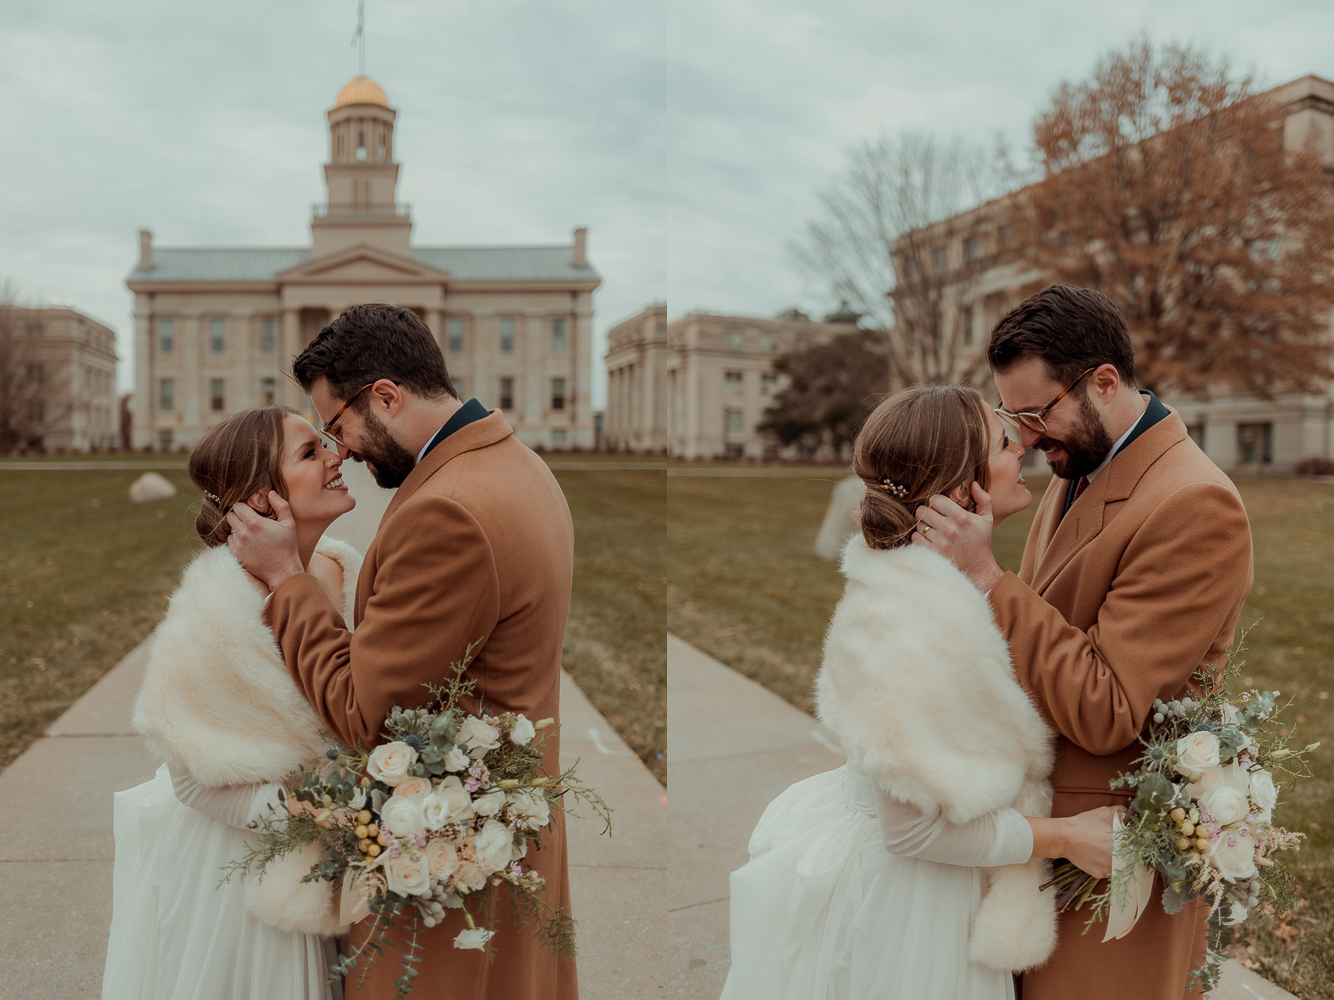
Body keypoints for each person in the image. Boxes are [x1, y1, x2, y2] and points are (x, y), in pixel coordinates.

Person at [720, 385, 1120, 1000]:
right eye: (1007, 443)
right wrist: (1068, 837)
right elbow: (909, 831)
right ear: (966, 489)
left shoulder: (932, 583)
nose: (1027, 450)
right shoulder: (911, 617)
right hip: (909, 903)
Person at [224, 304, 577, 1000]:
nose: (342, 450)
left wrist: (289, 583)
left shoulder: (448, 508)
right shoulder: (515, 462)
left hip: (450, 863)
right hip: (508, 830)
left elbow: (366, 712)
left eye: (338, 425)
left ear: (385, 394)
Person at [915, 284, 1254, 1000]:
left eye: (1040, 412)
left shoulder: (1194, 502)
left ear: (1104, 381)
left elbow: (1107, 708)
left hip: (1111, 847)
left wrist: (986, 576)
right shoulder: (1079, 467)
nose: (1028, 436)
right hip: (1043, 835)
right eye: (1016, 416)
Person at [103, 405, 361, 1000]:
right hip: (243, 880)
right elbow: (191, 778)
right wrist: (318, 810)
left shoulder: (336, 569)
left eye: (326, 443)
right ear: (263, 498)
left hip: (326, 869)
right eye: (310, 453)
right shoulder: (221, 606)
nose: (336, 456)